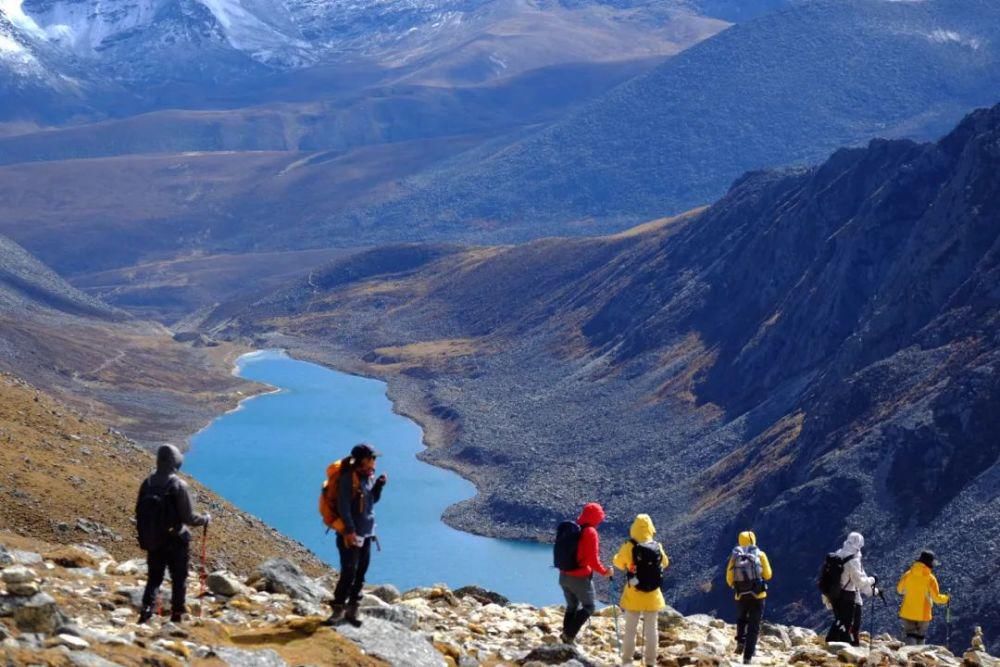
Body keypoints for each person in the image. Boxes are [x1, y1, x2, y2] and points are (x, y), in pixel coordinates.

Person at [136, 444, 210, 624]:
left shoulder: (148, 483)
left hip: (154, 538)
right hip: (176, 540)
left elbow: (138, 511)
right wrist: (205, 519)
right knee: (179, 577)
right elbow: (189, 517)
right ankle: (177, 613)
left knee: (154, 577)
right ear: (174, 462)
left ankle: (146, 611)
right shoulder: (177, 484)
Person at [325, 443, 387, 627]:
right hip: (350, 535)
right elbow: (344, 507)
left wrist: (379, 486)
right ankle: (337, 610)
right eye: (372, 458)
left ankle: (353, 609)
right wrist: (350, 531)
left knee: (361, 572)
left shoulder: (368, 477)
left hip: (367, 534)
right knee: (349, 572)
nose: (374, 461)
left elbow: (370, 502)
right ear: (363, 459)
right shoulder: (347, 478)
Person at [612, 514, 670, 667]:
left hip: (634, 594)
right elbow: (665, 562)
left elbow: (618, 563)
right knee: (652, 629)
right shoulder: (657, 545)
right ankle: (651, 662)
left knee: (630, 630)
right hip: (653, 595)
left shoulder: (629, 545)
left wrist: (622, 559)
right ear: (651, 528)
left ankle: (627, 662)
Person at [559, 502, 611, 644]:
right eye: (599, 518)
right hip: (579, 577)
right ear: (596, 517)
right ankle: (568, 636)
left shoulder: (574, 528)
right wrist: (605, 572)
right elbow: (593, 560)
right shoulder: (590, 532)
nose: (600, 521)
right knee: (589, 607)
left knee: (572, 606)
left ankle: (565, 636)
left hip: (563, 575)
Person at [725, 530, 773, 664]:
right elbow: (768, 575)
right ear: (754, 540)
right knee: (754, 626)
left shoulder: (735, 556)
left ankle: (740, 641)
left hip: (740, 595)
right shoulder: (760, 554)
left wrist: (737, 586)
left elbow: (729, 578)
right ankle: (748, 657)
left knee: (741, 619)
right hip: (758, 595)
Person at [825, 532, 878, 646]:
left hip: (835, 594)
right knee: (851, 624)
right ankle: (848, 646)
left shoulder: (839, 553)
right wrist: (873, 580)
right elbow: (860, 582)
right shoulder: (853, 560)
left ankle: (832, 642)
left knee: (840, 620)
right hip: (848, 596)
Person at [896, 550, 950, 645]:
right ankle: (918, 655)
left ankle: (909, 654)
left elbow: (899, 590)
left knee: (910, 634)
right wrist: (946, 598)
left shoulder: (908, 574)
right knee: (920, 636)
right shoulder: (930, 578)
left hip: (907, 611)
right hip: (923, 614)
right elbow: (936, 598)